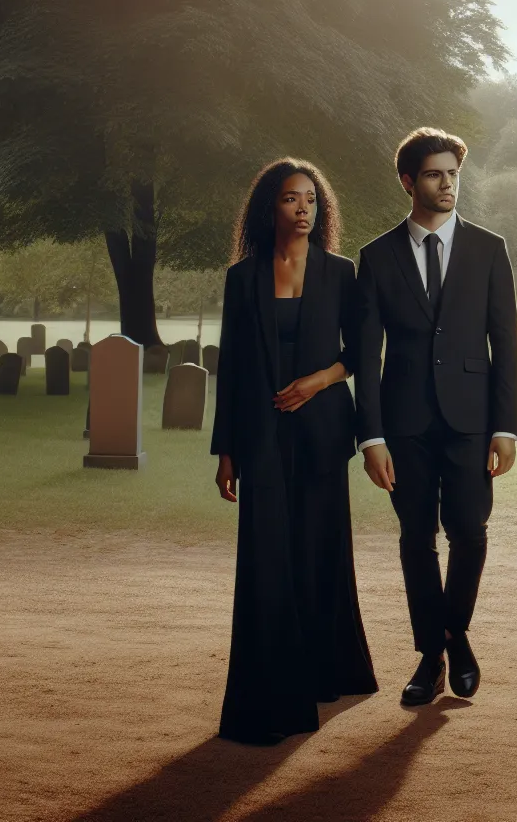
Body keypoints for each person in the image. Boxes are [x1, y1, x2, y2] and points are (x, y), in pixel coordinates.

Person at [354, 128, 517, 708]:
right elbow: (365, 355)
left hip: (473, 419)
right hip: (403, 424)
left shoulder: (489, 248)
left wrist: (506, 426)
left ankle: (455, 632)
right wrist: (371, 435)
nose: (447, 183)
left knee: (470, 533)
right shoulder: (375, 258)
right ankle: (433, 653)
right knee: (415, 538)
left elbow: (506, 341)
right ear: (409, 182)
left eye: (453, 173)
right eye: (434, 174)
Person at [212, 158, 377, 744]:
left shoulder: (340, 272)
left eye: (311, 199)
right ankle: (271, 681)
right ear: (269, 207)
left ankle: (324, 672)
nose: (303, 208)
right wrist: (225, 451)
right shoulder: (242, 277)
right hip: (258, 435)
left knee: (317, 552)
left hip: (323, 432)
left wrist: (318, 381)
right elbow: (229, 367)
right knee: (266, 555)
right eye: (290, 198)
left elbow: (360, 353)